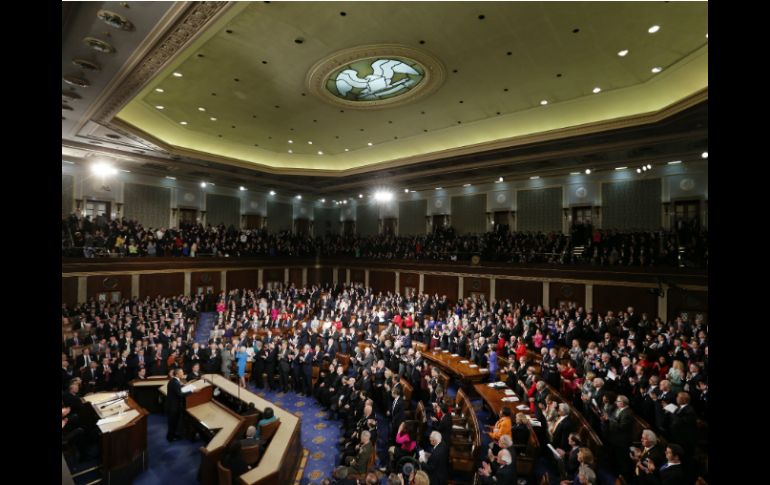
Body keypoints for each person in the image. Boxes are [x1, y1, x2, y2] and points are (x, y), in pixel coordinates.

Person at [166, 368, 191, 441]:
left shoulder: (175, 381)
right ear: (177, 374)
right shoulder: (174, 382)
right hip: (173, 407)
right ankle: (170, 438)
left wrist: (185, 385)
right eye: (182, 372)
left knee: (174, 422)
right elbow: (180, 394)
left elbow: (178, 388)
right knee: (172, 423)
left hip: (173, 406)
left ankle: (173, 435)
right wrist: (192, 391)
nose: (183, 373)